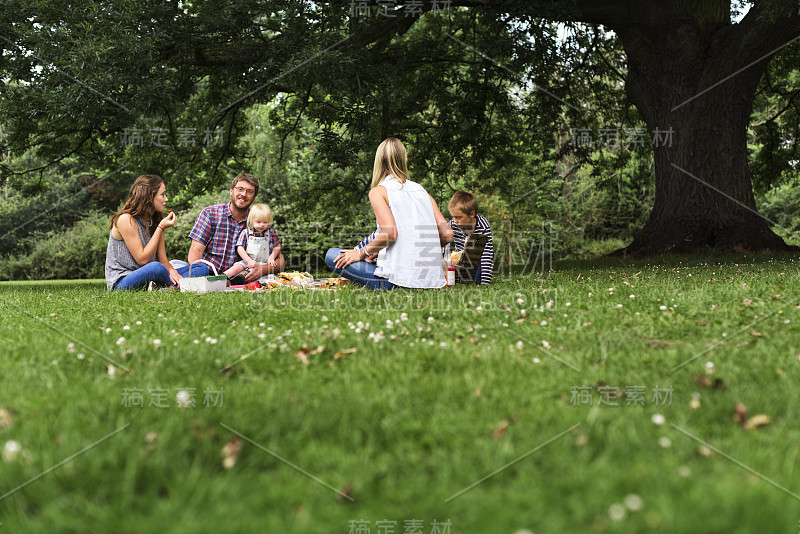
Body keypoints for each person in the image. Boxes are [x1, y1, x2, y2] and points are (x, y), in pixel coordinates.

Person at [324, 138, 453, 290]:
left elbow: (390, 233)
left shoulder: (379, 192)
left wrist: (361, 253)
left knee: (332, 255)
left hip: (397, 282)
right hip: (432, 282)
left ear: (378, 161)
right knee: (370, 254)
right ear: (404, 160)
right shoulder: (422, 191)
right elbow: (448, 234)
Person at [105, 174, 211, 291]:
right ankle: (176, 286)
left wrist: (172, 272)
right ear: (149, 196)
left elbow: (163, 260)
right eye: (162, 194)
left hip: (150, 278)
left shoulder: (155, 220)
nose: (166, 199)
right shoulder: (126, 219)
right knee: (156, 268)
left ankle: (168, 287)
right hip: (123, 281)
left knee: (201, 268)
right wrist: (160, 228)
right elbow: (142, 259)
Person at [188, 173, 285, 282]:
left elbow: (280, 261)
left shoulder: (259, 220)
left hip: (240, 278)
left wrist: (263, 269)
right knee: (178, 266)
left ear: (253, 198)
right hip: (209, 275)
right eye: (240, 189)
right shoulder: (210, 213)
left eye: (249, 192)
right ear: (231, 191)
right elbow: (195, 252)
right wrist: (200, 280)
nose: (244, 194)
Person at [223, 204, 282, 280]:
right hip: (247, 261)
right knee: (237, 267)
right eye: (258, 222)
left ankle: (239, 280)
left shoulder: (271, 233)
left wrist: (272, 257)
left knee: (255, 275)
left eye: (265, 222)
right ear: (251, 220)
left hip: (263, 263)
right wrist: (248, 260)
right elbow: (239, 248)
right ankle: (223, 276)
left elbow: (277, 246)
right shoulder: (246, 232)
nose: (262, 225)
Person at [447, 190, 494, 285]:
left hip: (477, 261)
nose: (455, 221)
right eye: (453, 217)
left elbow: (486, 254)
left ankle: (478, 280)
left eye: (459, 217)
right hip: (460, 262)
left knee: (478, 276)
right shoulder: (452, 224)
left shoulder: (483, 225)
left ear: (472, 214)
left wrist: (485, 282)